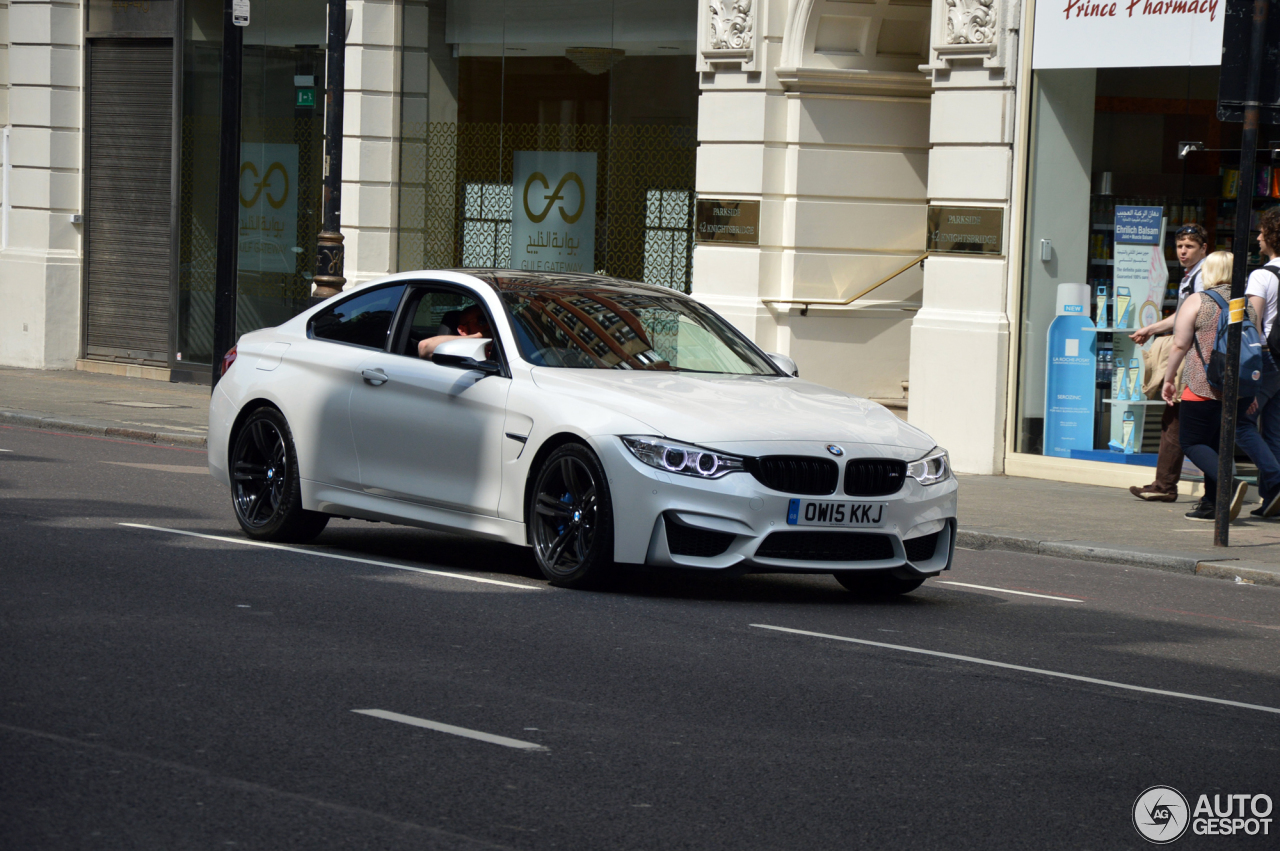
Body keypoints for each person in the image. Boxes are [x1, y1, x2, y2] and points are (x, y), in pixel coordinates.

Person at [1161, 250, 1260, 522]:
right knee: (1217, 445)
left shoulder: (1199, 300)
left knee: (1192, 442)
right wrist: (1251, 389)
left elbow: (1180, 344)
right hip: (1238, 388)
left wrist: (1169, 379)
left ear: (1209, 272)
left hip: (1203, 385)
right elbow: (1255, 346)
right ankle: (1212, 503)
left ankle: (1229, 482)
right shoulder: (1246, 304)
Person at [1128, 224, 1209, 502]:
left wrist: (1171, 371)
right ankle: (1168, 485)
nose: (1183, 251)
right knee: (1180, 421)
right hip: (1196, 357)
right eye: (1179, 246)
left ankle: (1166, 486)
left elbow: (1189, 324)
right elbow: (1181, 316)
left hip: (1195, 359)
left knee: (1176, 421)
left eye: (1190, 246)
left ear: (1204, 249)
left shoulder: (1202, 278)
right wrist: (1152, 329)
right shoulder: (1192, 276)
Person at [1244, 208, 1280, 517]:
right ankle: (1271, 501)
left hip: (1268, 359)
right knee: (1275, 431)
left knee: (1243, 421)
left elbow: (1252, 325)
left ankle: (1276, 486)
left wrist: (1251, 369)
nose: (1257, 238)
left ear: (1272, 236)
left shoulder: (1262, 275)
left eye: (1261, 233)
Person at [418, 304, 494, 359]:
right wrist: (478, 336)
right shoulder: (457, 349)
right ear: (462, 330)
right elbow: (423, 347)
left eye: (490, 321)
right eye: (482, 320)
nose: (488, 326)